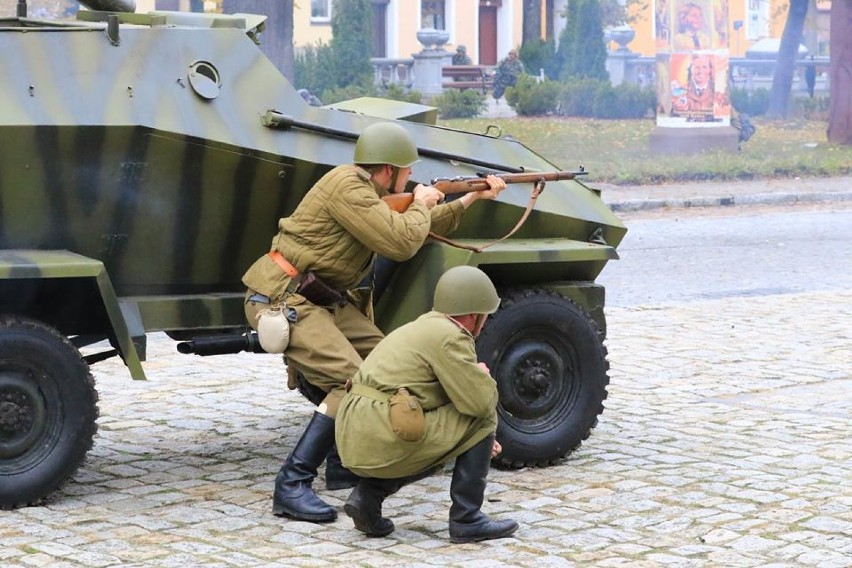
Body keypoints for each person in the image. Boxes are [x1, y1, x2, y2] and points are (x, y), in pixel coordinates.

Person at [241, 122, 507, 524]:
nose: (411, 177)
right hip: (284, 296)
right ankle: (291, 485)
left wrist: (471, 198)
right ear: (389, 169)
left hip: (321, 298)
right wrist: (421, 202)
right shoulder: (348, 186)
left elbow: (416, 229)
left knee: (384, 364)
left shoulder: (371, 193)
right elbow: (401, 243)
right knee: (355, 381)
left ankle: (343, 467)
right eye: (407, 171)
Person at [335, 266, 519, 543]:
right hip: (382, 433)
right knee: (483, 421)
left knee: (447, 436)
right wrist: (481, 378)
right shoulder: (452, 337)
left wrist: (469, 441)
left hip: (355, 435)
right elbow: (480, 404)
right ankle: (467, 520)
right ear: (473, 315)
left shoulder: (422, 325)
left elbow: (429, 395)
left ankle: (368, 498)